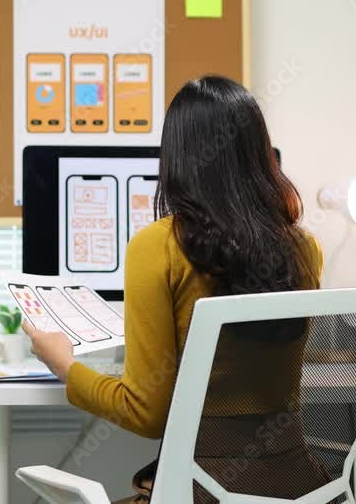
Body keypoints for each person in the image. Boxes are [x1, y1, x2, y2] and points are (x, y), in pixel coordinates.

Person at [24, 75, 326, 503]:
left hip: (199, 491)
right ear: (259, 154)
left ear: (178, 157)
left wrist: (65, 366)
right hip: (296, 488)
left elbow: (146, 413)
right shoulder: (304, 249)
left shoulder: (158, 246)